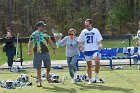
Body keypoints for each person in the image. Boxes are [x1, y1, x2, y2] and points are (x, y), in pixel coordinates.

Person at [28, 21, 56, 87]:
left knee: (48, 66)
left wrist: (54, 49)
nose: (44, 27)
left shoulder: (45, 33)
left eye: (44, 26)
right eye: (42, 26)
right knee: (38, 67)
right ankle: (39, 80)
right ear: (39, 27)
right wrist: (29, 50)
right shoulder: (34, 34)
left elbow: (50, 41)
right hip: (37, 53)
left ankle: (47, 75)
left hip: (46, 52)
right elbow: (30, 42)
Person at [77, 19, 103, 84]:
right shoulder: (84, 31)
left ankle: (96, 78)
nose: (86, 26)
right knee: (89, 65)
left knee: (97, 61)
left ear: (91, 24)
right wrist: (81, 46)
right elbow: (79, 41)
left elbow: (99, 40)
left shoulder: (95, 30)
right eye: (85, 25)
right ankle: (90, 79)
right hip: (87, 50)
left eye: (87, 25)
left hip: (95, 49)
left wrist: (100, 44)